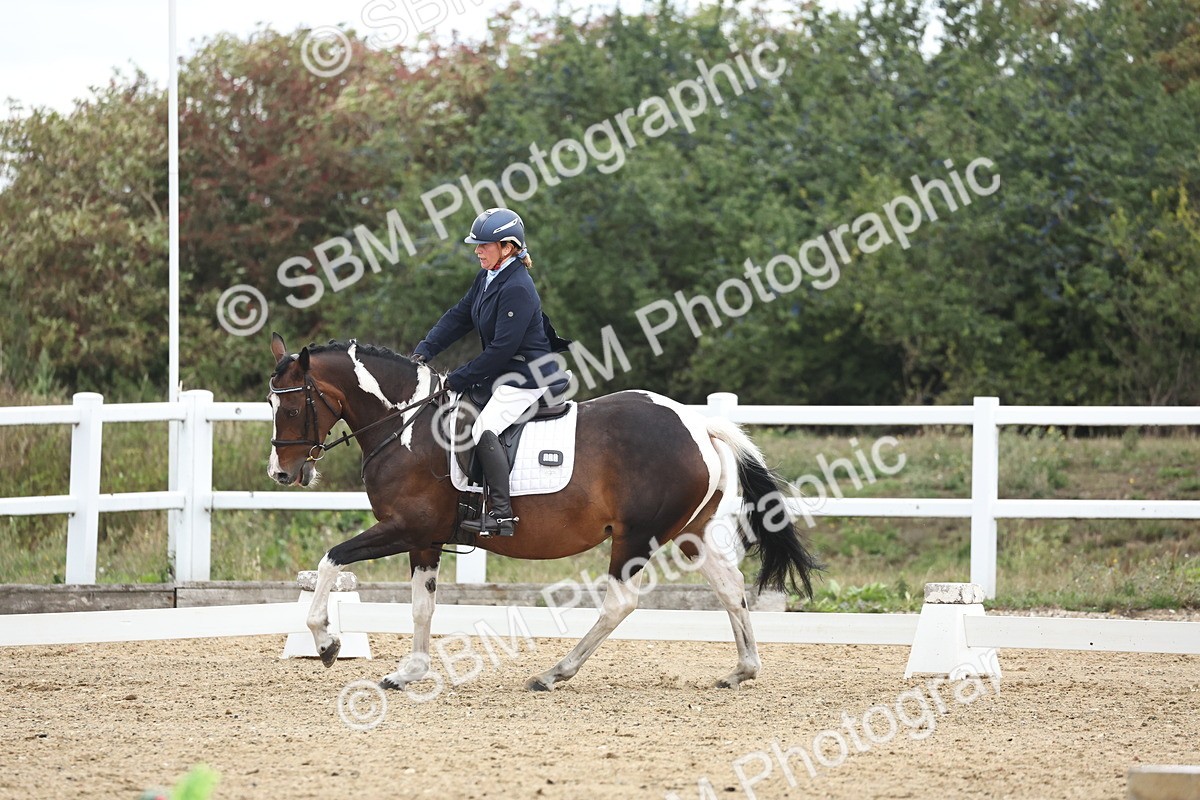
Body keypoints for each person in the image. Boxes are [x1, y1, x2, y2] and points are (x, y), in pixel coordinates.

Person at [412, 208, 570, 537]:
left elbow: (501, 351)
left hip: (527, 376)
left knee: (485, 427)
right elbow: (459, 316)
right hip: (502, 373)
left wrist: (457, 377)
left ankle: (501, 514)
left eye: (484, 245)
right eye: (477, 244)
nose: (477, 250)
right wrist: (425, 349)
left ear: (508, 247)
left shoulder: (517, 287)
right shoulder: (488, 276)